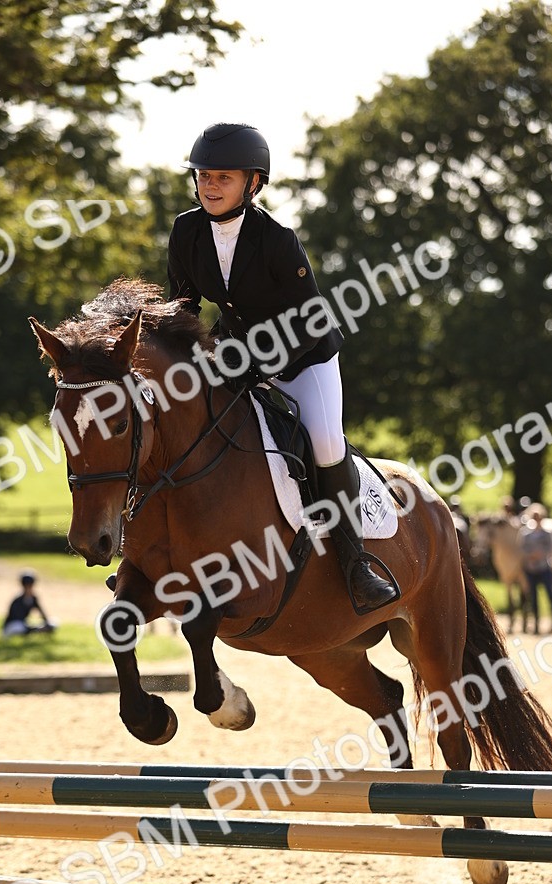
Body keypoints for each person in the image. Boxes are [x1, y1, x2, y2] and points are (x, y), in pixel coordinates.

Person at [166, 122, 399, 613]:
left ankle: (356, 564)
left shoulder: (277, 239)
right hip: (236, 350)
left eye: (224, 177)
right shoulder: (186, 230)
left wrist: (251, 362)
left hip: (304, 357)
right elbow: (182, 307)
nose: (210, 186)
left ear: (253, 183)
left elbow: (307, 320)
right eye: (204, 176)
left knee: (326, 443)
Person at [520, 504, 552, 635]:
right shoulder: (526, 534)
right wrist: (531, 555)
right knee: (533, 597)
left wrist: (540, 554)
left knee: (550, 595)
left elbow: (550, 549)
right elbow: (522, 549)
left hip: (544, 567)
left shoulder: (546, 534)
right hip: (531, 568)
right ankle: (536, 623)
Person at [2, 571, 57, 637]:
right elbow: (17, 620)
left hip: (23, 625)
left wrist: (47, 624)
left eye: (30, 585)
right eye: (27, 585)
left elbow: (42, 614)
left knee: (53, 622)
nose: (29, 587)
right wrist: (35, 629)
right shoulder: (18, 600)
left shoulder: (33, 598)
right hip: (11, 627)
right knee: (19, 626)